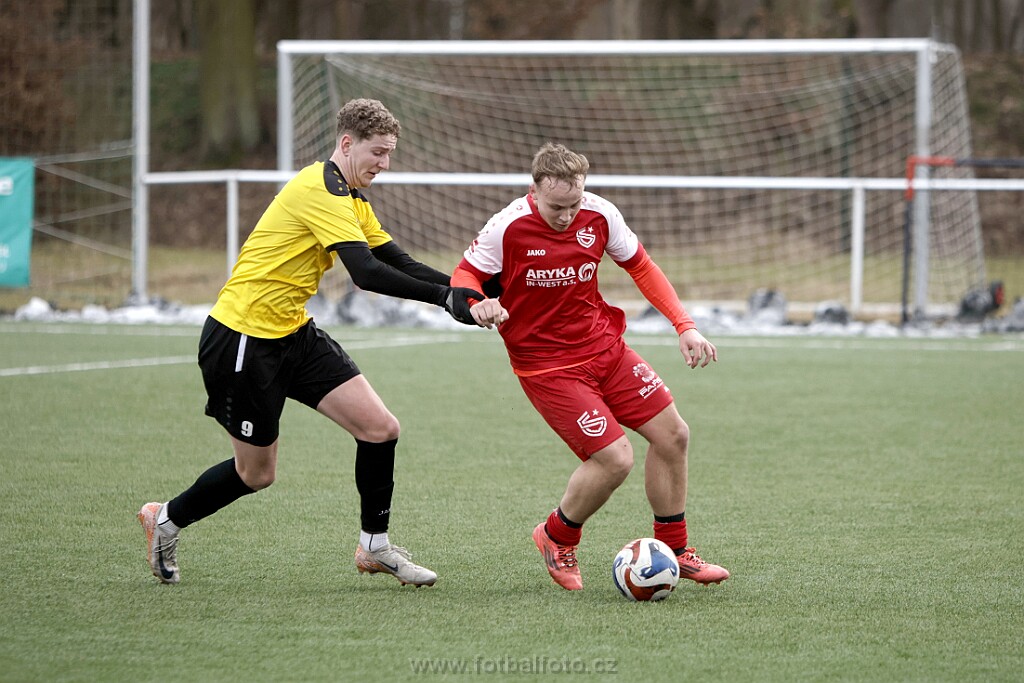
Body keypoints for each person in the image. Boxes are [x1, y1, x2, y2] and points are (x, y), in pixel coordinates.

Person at [138, 98, 504, 587]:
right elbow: (366, 273)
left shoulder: (351, 197)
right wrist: (446, 299)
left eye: (390, 153)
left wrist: (468, 290)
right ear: (347, 144)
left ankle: (374, 546)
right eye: (378, 152)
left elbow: (397, 260)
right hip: (243, 338)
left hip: (293, 333)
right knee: (256, 474)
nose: (385, 164)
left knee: (380, 429)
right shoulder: (320, 188)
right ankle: (165, 518)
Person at [452, 142, 729, 591]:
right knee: (614, 459)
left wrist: (685, 325)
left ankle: (675, 549)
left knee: (674, 435)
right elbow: (464, 275)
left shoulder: (600, 214)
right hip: (547, 366)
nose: (566, 215)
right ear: (534, 191)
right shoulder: (507, 227)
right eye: (556, 207)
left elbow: (643, 268)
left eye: (574, 204)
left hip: (606, 350)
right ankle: (556, 536)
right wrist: (476, 302)